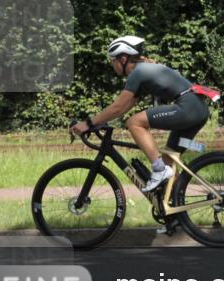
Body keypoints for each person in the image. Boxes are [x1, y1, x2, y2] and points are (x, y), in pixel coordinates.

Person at [68, 35, 210, 194]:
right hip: (197, 109)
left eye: (112, 60)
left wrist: (88, 123)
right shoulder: (145, 70)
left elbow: (118, 107)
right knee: (168, 160)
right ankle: (176, 210)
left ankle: (158, 169)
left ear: (123, 58)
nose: (111, 64)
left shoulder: (138, 72)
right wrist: (99, 121)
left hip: (188, 107)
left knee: (134, 123)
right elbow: (124, 107)